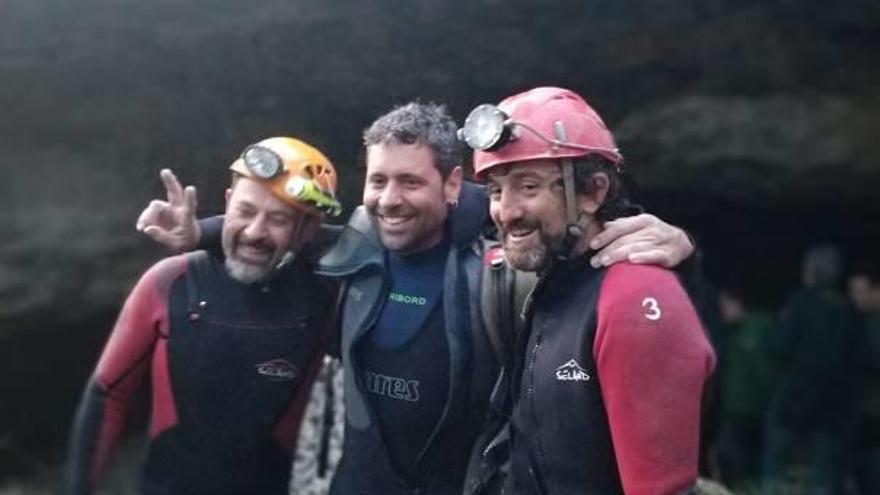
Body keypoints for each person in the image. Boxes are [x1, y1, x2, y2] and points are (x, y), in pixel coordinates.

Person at [137, 102, 697, 494]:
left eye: (410, 181)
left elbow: (564, 235)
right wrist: (200, 233)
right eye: (378, 181)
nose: (389, 199)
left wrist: (675, 243)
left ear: (453, 185)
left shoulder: (497, 263)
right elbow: (276, 229)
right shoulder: (346, 252)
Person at [460, 86, 716, 495]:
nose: (506, 211)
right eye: (495, 191)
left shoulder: (631, 295)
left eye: (528, 187)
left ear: (594, 192)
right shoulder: (548, 287)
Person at [64, 136, 340, 495]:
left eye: (278, 219)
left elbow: (371, 237)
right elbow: (106, 398)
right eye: (244, 211)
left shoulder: (325, 294)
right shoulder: (170, 282)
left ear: (307, 230)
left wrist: (203, 232)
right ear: (228, 203)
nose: (255, 232)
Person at [762, 245, 860, 494]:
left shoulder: (799, 301)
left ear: (811, 271)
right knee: (823, 470)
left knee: (776, 459)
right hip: (832, 401)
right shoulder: (846, 307)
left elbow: (778, 345)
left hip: (795, 394)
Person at [714, 283, 776, 489]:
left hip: (752, 409)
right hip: (735, 409)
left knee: (745, 462)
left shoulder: (759, 328)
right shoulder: (731, 333)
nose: (722, 311)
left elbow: (765, 370)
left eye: (725, 305)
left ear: (738, 304)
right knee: (732, 460)